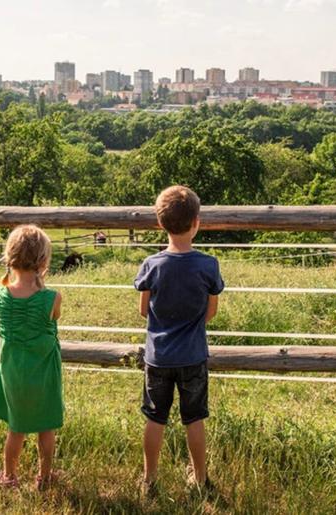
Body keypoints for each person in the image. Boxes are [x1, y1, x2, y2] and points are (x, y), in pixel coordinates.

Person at [134, 185, 224, 497]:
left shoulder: (151, 264)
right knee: (194, 418)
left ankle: (149, 479)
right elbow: (210, 312)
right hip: (193, 355)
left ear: (160, 224)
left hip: (158, 357)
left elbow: (143, 309)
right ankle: (199, 478)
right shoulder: (208, 265)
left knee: (155, 417)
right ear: (197, 222)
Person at [0, 224, 64, 491]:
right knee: (46, 427)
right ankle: (44, 477)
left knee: (16, 427)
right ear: (43, 260)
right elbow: (53, 318)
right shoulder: (52, 298)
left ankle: (9, 476)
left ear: (10, 256)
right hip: (43, 371)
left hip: (13, 373)